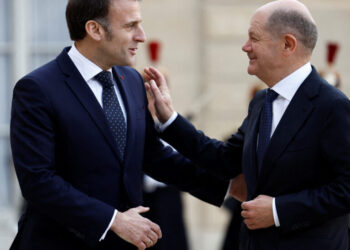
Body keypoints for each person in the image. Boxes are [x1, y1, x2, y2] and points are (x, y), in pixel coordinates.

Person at [9, 0, 230, 249]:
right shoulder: (38, 89)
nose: (142, 36)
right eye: (131, 26)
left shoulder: (132, 80)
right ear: (95, 30)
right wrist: (113, 220)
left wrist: (227, 187)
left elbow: (153, 156)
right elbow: (38, 182)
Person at [145, 0, 350, 249]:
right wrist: (170, 119)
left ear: (288, 44)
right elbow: (224, 160)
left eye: (254, 38)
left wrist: (277, 210)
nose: (245, 47)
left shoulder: (332, 106)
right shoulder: (262, 102)